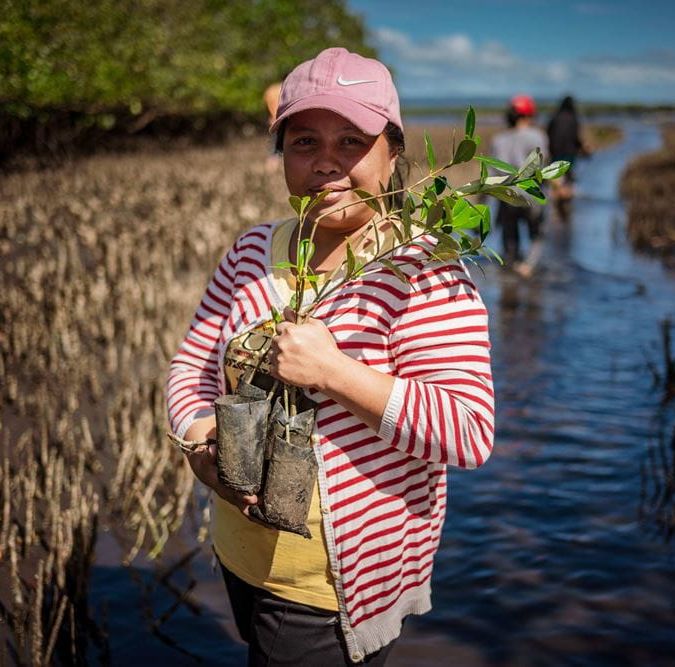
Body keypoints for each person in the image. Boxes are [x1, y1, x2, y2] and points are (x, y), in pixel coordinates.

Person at [165, 47, 495, 666]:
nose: (325, 163)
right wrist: (202, 440)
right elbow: (191, 367)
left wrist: (334, 372)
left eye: (352, 141)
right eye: (303, 142)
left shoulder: (422, 271)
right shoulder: (252, 251)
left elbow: (468, 433)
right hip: (240, 555)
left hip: (336, 588)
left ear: (394, 154)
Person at [490, 95, 549, 277]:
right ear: (530, 115)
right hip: (530, 193)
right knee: (536, 236)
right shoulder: (537, 136)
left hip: (507, 194)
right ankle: (527, 268)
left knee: (510, 239)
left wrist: (482, 200)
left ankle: (509, 275)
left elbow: (491, 175)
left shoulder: (499, 139)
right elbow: (542, 168)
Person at [546, 95, 589, 207]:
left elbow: (548, 133)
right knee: (568, 177)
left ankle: (555, 201)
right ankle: (566, 202)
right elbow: (576, 137)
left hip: (555, 152)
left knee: (555, 176)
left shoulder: (554, 117)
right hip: (569, 153)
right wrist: (583, 148)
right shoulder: (573, 119)